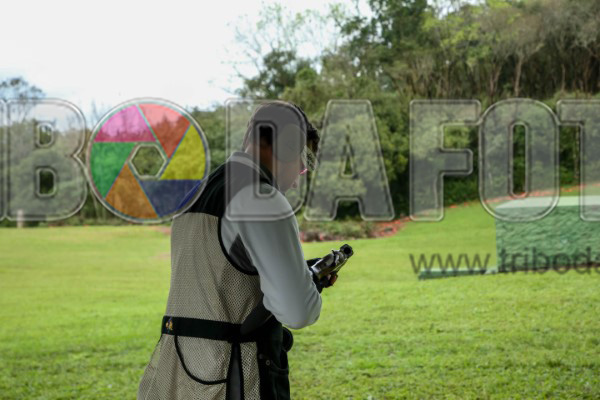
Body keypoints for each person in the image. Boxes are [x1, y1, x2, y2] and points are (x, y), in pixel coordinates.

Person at [137, 101, 337, 400]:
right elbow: (298, 312)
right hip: (235, 376)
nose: (301, 170)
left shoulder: (196, 192)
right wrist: (310, 286)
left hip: (178, 370)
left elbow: (220, 276)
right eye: (302, 156)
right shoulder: (264, 199)